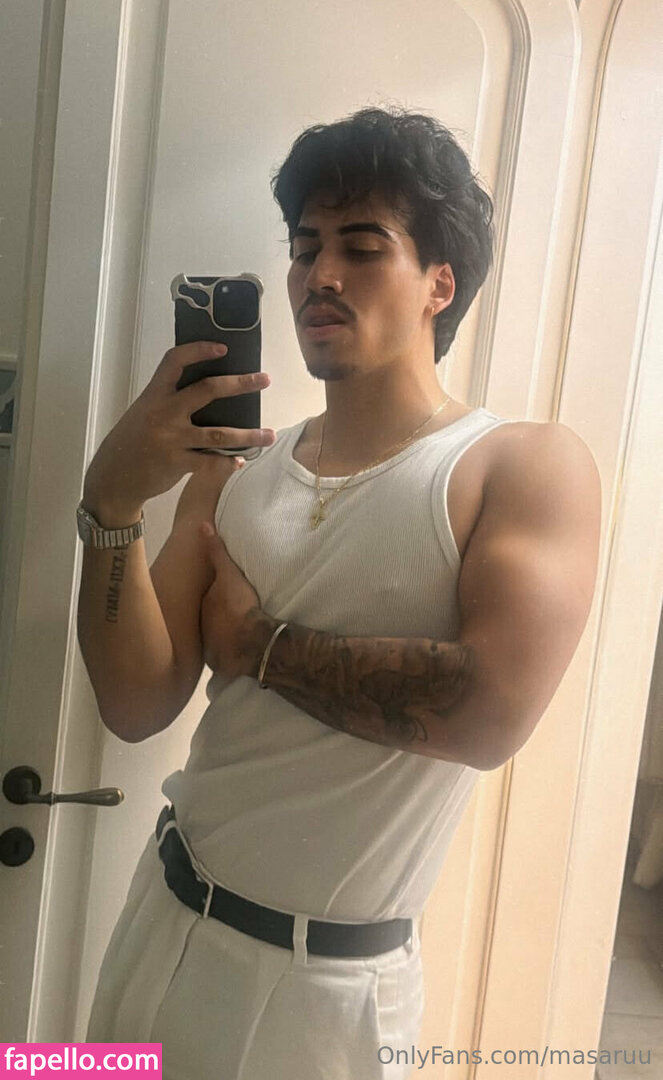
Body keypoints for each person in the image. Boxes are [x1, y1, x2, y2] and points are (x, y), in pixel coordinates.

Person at [77, 107, 601, 1079]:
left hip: (325, 1000)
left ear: (440, 282)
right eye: (304, 247)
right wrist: (110, 502)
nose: (320, 275)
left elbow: (488, 716)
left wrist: (262, 647)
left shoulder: (518, 466)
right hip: (160, 917)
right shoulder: (236, 470)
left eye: (362, 248)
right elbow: (134, 702)